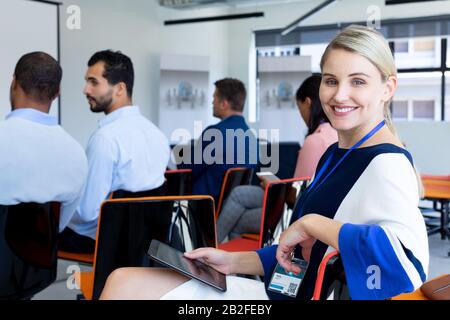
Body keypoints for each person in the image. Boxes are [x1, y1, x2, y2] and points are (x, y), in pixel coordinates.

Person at [99, 25, 429, 300]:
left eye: (358, 82)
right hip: (278, 292)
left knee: (124, 287)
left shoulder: (386, 162)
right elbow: (297, 253)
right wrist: (232, 260)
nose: (339, 95)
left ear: (388, 88)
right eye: (331, 80)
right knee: (123, 281)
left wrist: (311, 223)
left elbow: (407, 265)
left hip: (284, 299)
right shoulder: (335, 153)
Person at [59, 50, 170, 253]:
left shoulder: (105, 139)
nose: (85, 89)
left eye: (93, 82)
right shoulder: (158, 135)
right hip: (145, 243)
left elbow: (86, 213)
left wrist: (57, 208)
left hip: (102, 241)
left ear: (120, 88)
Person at [216, 75, 338, 243]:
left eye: (299, 106)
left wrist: (273, 187)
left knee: (239, 219)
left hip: (300, 214)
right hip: (321, 210)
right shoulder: (335, 134)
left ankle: (217, 253)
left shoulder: (316, 141)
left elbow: (295, 197)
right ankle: (218, 253)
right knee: (239, 194)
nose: (300, 113)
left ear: (308, 102)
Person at [0, 52, 87, 231]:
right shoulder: (77, 154)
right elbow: (58, 226)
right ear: (57, 93)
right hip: (40, 257)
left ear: (13, 83)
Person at [177, 78, 258, 201]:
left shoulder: (215, 134)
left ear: (224, 104)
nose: (212, 102)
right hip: (233, 209)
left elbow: (186, 171)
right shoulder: (252, 138)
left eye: (214, 98)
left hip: (204, 206)